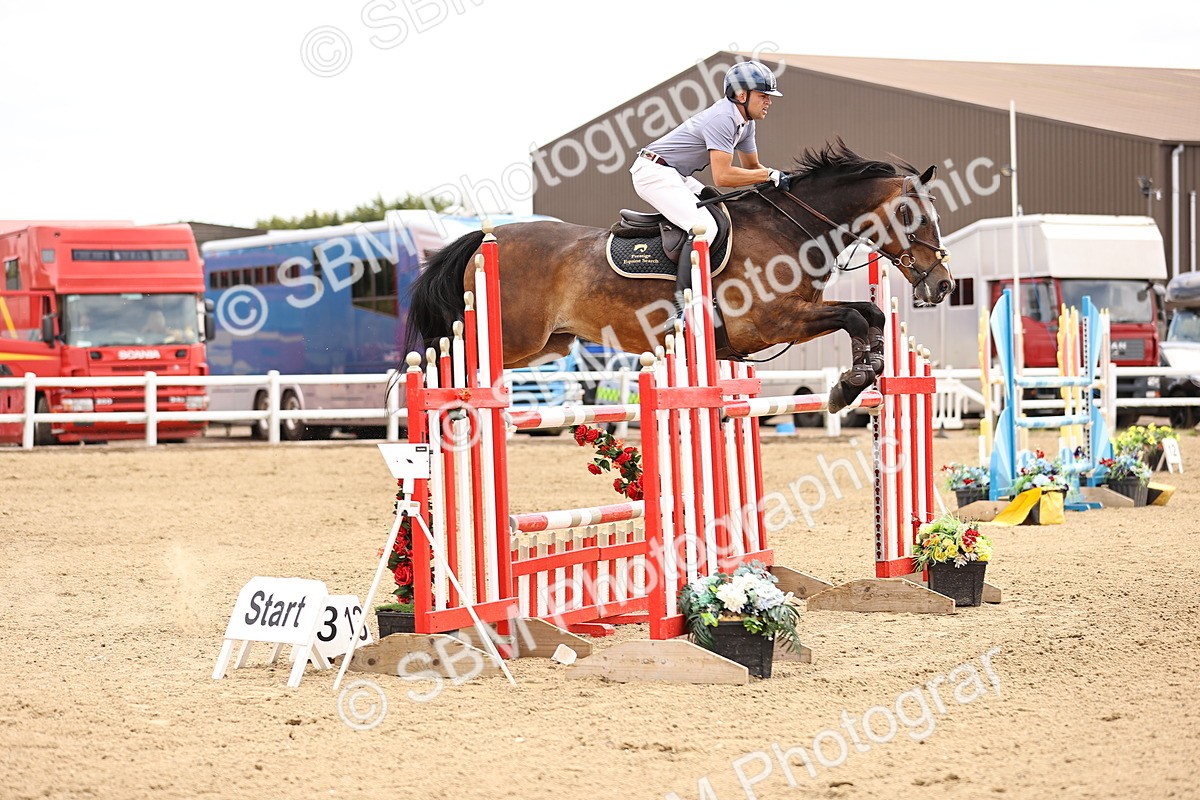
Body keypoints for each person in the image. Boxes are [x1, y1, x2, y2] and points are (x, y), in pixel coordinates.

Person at [630, 60, 790, 319]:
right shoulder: (723, 118)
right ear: (741, 95)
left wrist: (780, 179)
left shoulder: (746, 123)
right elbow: (723, 176)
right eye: (763, 96)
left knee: (721, 211)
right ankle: (681, 308)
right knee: (705, 228)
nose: (768, 102)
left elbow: (752, 168)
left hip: (675, 173)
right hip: (653, 172)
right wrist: (769, 175)